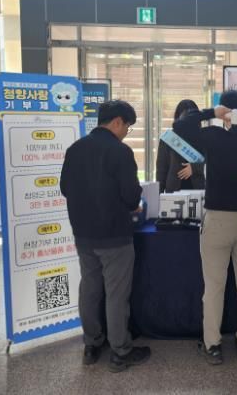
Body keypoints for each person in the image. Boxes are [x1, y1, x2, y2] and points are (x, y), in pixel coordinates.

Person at [174, 90, 237, 365]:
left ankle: (213, 345)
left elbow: (180, 126)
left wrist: (210, 113)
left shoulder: (213, 137)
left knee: (214, 286)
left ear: (225, 112)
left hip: (217, 219)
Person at [60, 100, 151, 372]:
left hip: (83, 234)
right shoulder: (120, 151)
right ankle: (120, 351)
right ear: (117, 122)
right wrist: (133, 204)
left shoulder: (75, 149)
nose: (126, 133)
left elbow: (65, 188)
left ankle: (91, 345)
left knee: (89, 289)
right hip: (114, 236)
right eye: (127, 127)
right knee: (116, 294)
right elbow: (132, 196)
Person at [156, 99, 205, 193]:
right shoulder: (169, 138)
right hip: (174, 190)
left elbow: (211, 162)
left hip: (198, 188)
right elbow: (161, 169)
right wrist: (159, 193)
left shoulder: (203, 136)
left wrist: (194, 168)